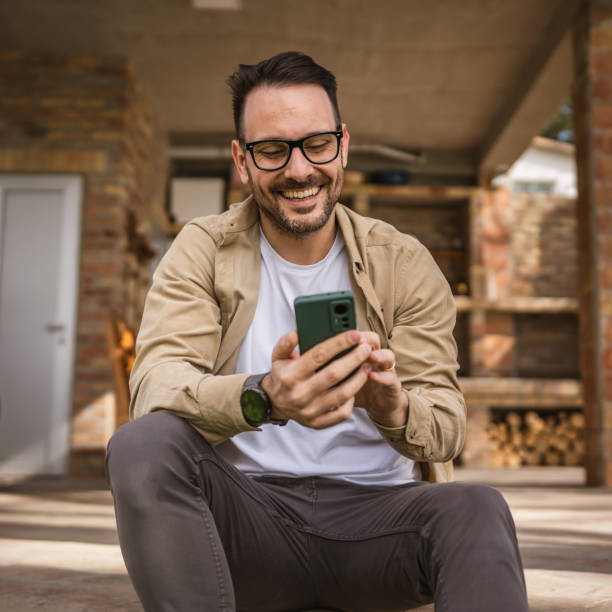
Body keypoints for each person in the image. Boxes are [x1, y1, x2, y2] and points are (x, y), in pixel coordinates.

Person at [106, 51, 528, 612]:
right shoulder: (204, 248)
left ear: (343, 144)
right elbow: (155, 388)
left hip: (379, 528)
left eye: (317, 144)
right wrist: (263, 396)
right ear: (241, 160)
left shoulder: (404, 261)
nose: (300, 169)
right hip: (246, 527)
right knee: (141, 444)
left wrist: (391, 404)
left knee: (478, 507)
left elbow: (448, 426)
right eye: (273, 150)